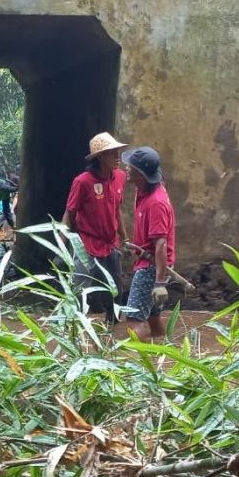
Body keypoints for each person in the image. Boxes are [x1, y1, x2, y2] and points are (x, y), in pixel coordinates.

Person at [62, 132, 128, 325]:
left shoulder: (120, 178)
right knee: (80, 287)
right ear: (100, 157)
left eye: (118, 152)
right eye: (111, 153)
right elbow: (69, 213)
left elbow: (117, 209)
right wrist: (61, 244)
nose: (117, 157)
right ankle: (74, 326)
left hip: (111, 243)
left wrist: (125, 238)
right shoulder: (82, 182)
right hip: (86, 243)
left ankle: (112, 330)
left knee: (115, 289)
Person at [121, 147, 175, 339]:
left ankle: (138, 365)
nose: (126, 168)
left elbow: (160, 244)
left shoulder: (156, 203)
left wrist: (159, 283)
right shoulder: (143, 190)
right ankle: (164, 355)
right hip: (150, 262)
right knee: (152, 317)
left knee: (135, 320)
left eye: (131, 167)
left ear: (141, 173)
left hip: (152, 267)